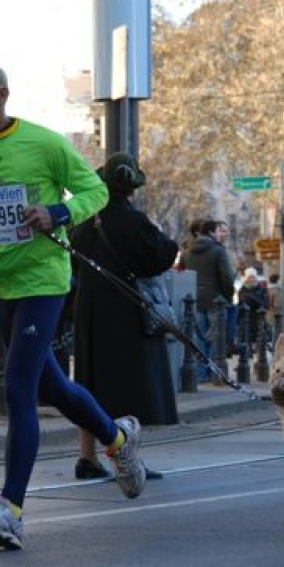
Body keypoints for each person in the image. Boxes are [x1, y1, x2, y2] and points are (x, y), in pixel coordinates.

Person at [0, 63, 146, 549]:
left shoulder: (45, 143)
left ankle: (10, 510)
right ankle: (117, 440)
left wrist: (57, 212)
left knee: (18, 387)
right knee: (52, 385)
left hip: (43, 280)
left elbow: (96, 191)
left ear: (2, 94)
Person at [69, 152, 178, 480]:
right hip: (127, 310)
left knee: (90, 384)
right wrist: (165, 238)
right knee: (129, 388)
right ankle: (127, 460)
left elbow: (71, 262)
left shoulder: (83, 220)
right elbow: (161, 257)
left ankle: (86, 457)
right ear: (131, 189)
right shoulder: (135, 221)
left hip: (88, 309)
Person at [181, 218, 235, 381]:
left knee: (199, 338)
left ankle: (200, 374)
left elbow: (182, 274)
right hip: (215, 299)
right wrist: (228, 296)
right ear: (211, 232)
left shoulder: (187, 251)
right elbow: (226, 277)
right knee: (216, 339)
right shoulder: (218, 251)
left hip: (194, 299)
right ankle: (216, 374)